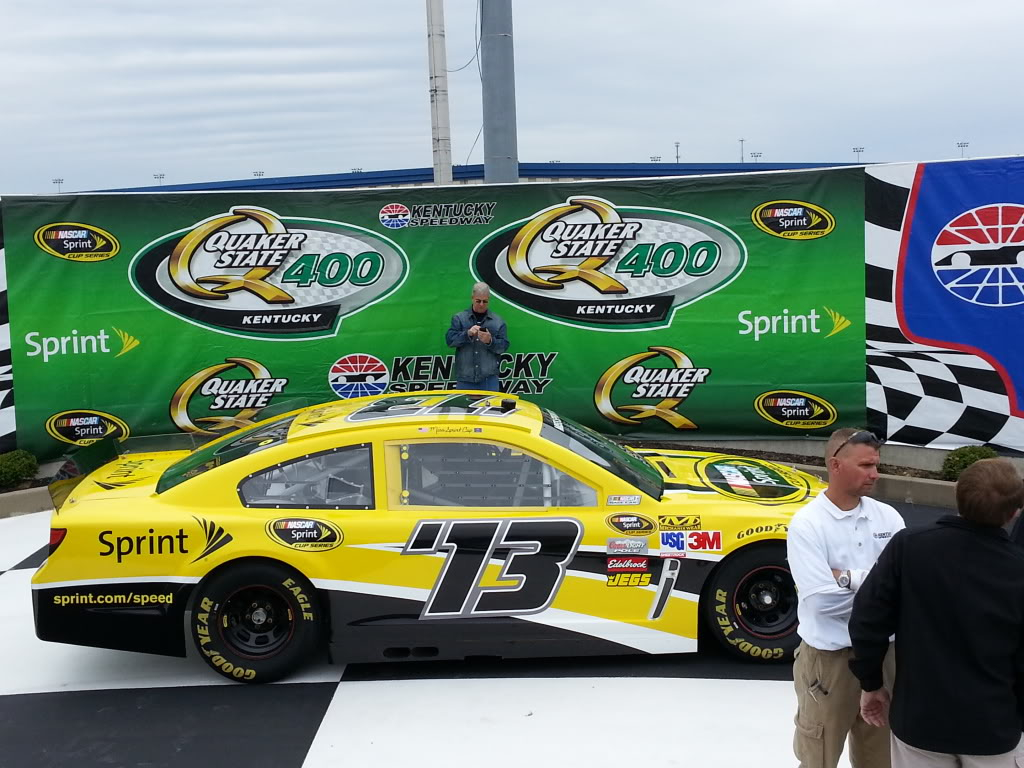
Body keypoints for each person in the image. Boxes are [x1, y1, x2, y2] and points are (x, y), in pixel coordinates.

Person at [849, 458, 1024, 767]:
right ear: (1014, 512)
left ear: (958, 494)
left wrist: (871, 683)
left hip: (919, 721)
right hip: (993, 727)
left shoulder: (910, 547)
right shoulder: (1017, 570)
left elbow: (866, 619)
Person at [787, 428, 906, 768]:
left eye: (876, 465)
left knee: (881, 757)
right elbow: (822, 604)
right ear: (836, 465)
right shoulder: (807, 525)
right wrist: (882, 591)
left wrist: (848, 579)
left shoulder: (889, 518)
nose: (875, 473)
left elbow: (905, 586)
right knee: (818, 758)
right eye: (866, 465)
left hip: (885, 656)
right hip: (828, 661)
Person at [445, 282, 509, 392]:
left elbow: (504, 346)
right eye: (478, 301)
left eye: (485, 301)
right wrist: (467, 334)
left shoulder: (498, 321)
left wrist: (490, 341)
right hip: (465, 380)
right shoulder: (459, 319)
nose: (481, 304)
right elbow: (450, 341)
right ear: (472, 298)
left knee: (491, 410)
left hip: (489, 380)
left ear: (489, 299)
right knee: (463, 410)